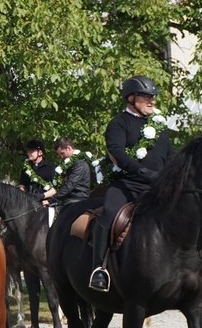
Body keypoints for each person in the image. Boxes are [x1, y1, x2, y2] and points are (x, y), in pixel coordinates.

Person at [89, 75, 174, 291]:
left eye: (153, 97)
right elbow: (117, 153)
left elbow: (172, 157)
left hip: (157, 187)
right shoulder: (119, 123)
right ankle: (99, 269)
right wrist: (143, 171)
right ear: (131, 98)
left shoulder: (160, 128)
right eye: (147, 96)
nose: (152, 101)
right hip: (127, 185)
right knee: (108, 212)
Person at [39, 137, 91, 207]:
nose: (61, 156)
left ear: (68, 148)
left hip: (77, 200)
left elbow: (69, 185)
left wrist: (50, 200)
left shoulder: (80, 164)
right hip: (67, 200)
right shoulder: (68, 164)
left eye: (62, 153)